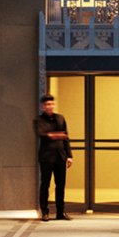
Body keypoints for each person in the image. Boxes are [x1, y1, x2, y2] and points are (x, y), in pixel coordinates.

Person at [34, 92, 74, 221]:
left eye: (51, 104)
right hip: (46, 157)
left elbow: (66, 138)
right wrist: (56, 135)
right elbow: (42, 134)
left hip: (60, 157)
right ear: (43, 106)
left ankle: (60, 212)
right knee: (45, 184)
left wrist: (69, 155)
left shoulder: (60, 118)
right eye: (47, 104)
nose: (49, 106)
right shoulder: (38, 120)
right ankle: (44, 212)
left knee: (60, 185)